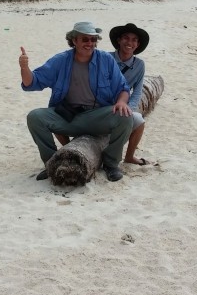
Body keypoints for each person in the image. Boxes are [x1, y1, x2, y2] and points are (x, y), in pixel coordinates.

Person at [19, 21, 134, 182]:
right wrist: (24, 68)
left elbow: (123, 88)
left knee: (126, 116)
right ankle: (51, 162)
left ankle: (111, 164)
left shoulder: (106, 60)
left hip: (97, 117)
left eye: (93, 40)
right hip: (69, 117)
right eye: (85, 39)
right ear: (74, 41)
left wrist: (122, 102)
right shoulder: (61, 60)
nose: (90, 43)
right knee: (35, 117)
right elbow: (32, 83)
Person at [108, 23, 151, 165]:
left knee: (139, 121)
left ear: (137, 44)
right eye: (126, 38)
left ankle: (129, 156)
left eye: (134, 40)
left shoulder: (139, 65)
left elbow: (137, 91)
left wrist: (129, 109)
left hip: (122, 107)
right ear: (119, 40)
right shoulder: (106, 58)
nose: (129, 42)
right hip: (101, 105)